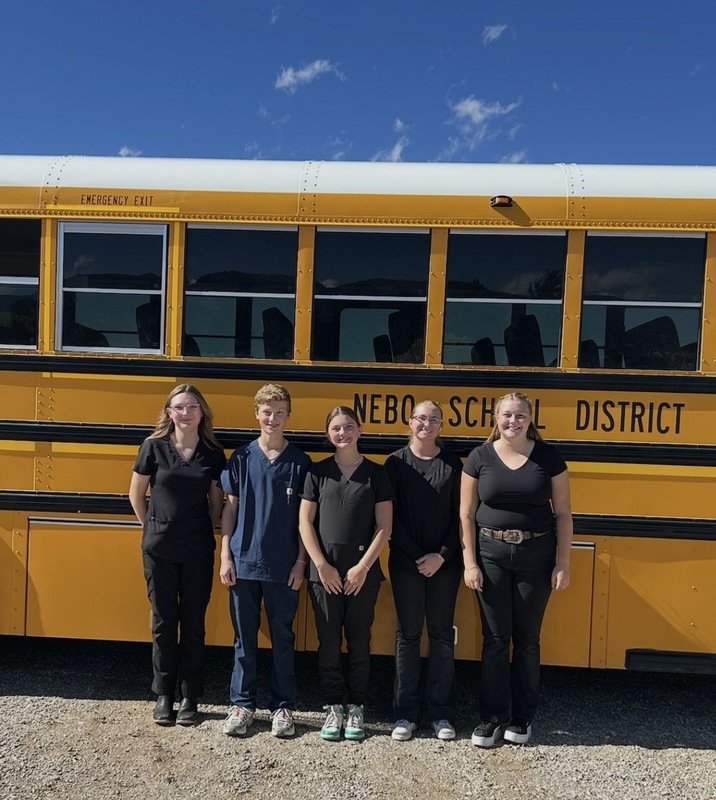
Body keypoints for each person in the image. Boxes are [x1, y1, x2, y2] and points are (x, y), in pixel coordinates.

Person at [460, 392, 572, 747]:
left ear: (530, 418)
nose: (513, 421)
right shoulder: (479, 457)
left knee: (526, 640)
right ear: (495, 417)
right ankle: (491, 717)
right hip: (490, 553)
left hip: (536, 554)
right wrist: (470, 561)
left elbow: (564, 513)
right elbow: (465, 513)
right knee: (494, 639)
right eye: (507, 415)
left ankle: (522, 718)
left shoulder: (548, 457)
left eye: (520, 415)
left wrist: (562, 562)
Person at [129, 384, 226, 726]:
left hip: (198, 548)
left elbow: (216, 505)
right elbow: (136, 494)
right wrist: (153, 526)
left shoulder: (213, 453)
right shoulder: (152, 447)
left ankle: (190, 696)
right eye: (179, 407)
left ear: (202, 412)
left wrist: (196, 528)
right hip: (159, 550)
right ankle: (164, 693)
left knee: (194, 623)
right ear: (169, 412)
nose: (186, 413)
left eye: (192, 407)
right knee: (163, 623)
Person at [219, 383, 311, 738]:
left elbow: (307, 521)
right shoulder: (241, 457)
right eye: (266, 412)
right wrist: (226, 553)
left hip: (283, 565)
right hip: (243, 562)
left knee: (282, 638)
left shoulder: (300, 463)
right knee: (244, 639)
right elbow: (230, 509)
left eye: (279, 412)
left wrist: (301, 562)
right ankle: (241, 705)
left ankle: (282, 707)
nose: (272, 418)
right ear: (256, 414)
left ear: (289, 415)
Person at [298, 406, 393, 741]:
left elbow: (384, 527)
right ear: (328, 434)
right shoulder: (317, 472)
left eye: (349, 427)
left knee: (358, 642)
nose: (343, 433)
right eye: (336, 428)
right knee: (327, 643)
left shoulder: (376, 474)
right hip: (324, 574)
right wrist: (320, 564)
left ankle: (357, 707)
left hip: (361, 576)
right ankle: (333, 706)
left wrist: (363, 567)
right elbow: (305, 522)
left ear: (360, 430)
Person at [384, 400, 463, 742]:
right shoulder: (395, 464)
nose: (426, 424)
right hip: (406, 563)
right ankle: (405, 713)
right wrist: (420, 557)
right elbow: (390, 519)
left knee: (443, 635)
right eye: (420, 418)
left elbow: (462, 516)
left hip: (445, 564)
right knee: (409, 635)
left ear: (441, 425)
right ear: (409, 422)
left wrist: (441, 556)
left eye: (433, 419)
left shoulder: (452, 464)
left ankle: (441, 714)